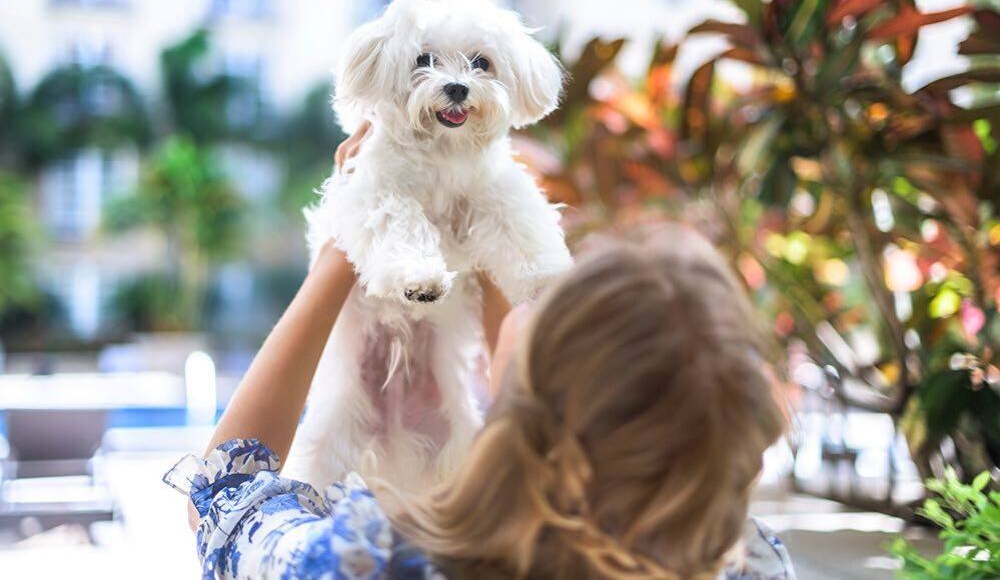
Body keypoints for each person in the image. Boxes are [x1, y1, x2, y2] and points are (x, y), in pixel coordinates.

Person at [165, 129, 795, 580]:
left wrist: (344, 240)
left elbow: (226, 494)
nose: (531, 303)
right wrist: (484, 230)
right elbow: (546, 398)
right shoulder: (750, 563)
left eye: (552, 302)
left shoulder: (378, 561)